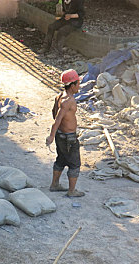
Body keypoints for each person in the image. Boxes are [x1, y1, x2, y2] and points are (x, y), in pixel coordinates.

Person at [46, 69, 84, 197]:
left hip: (60, 136)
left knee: (61, 159)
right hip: (69, 138)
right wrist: (51, 135)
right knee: (74, 164)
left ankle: (54, 184)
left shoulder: (59, 97)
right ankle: (72, 191)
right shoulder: (69, 101)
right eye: (78, 83)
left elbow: (53, 112)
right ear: (72, 85)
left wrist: (56, 133)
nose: (79, 86)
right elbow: (57, 119)